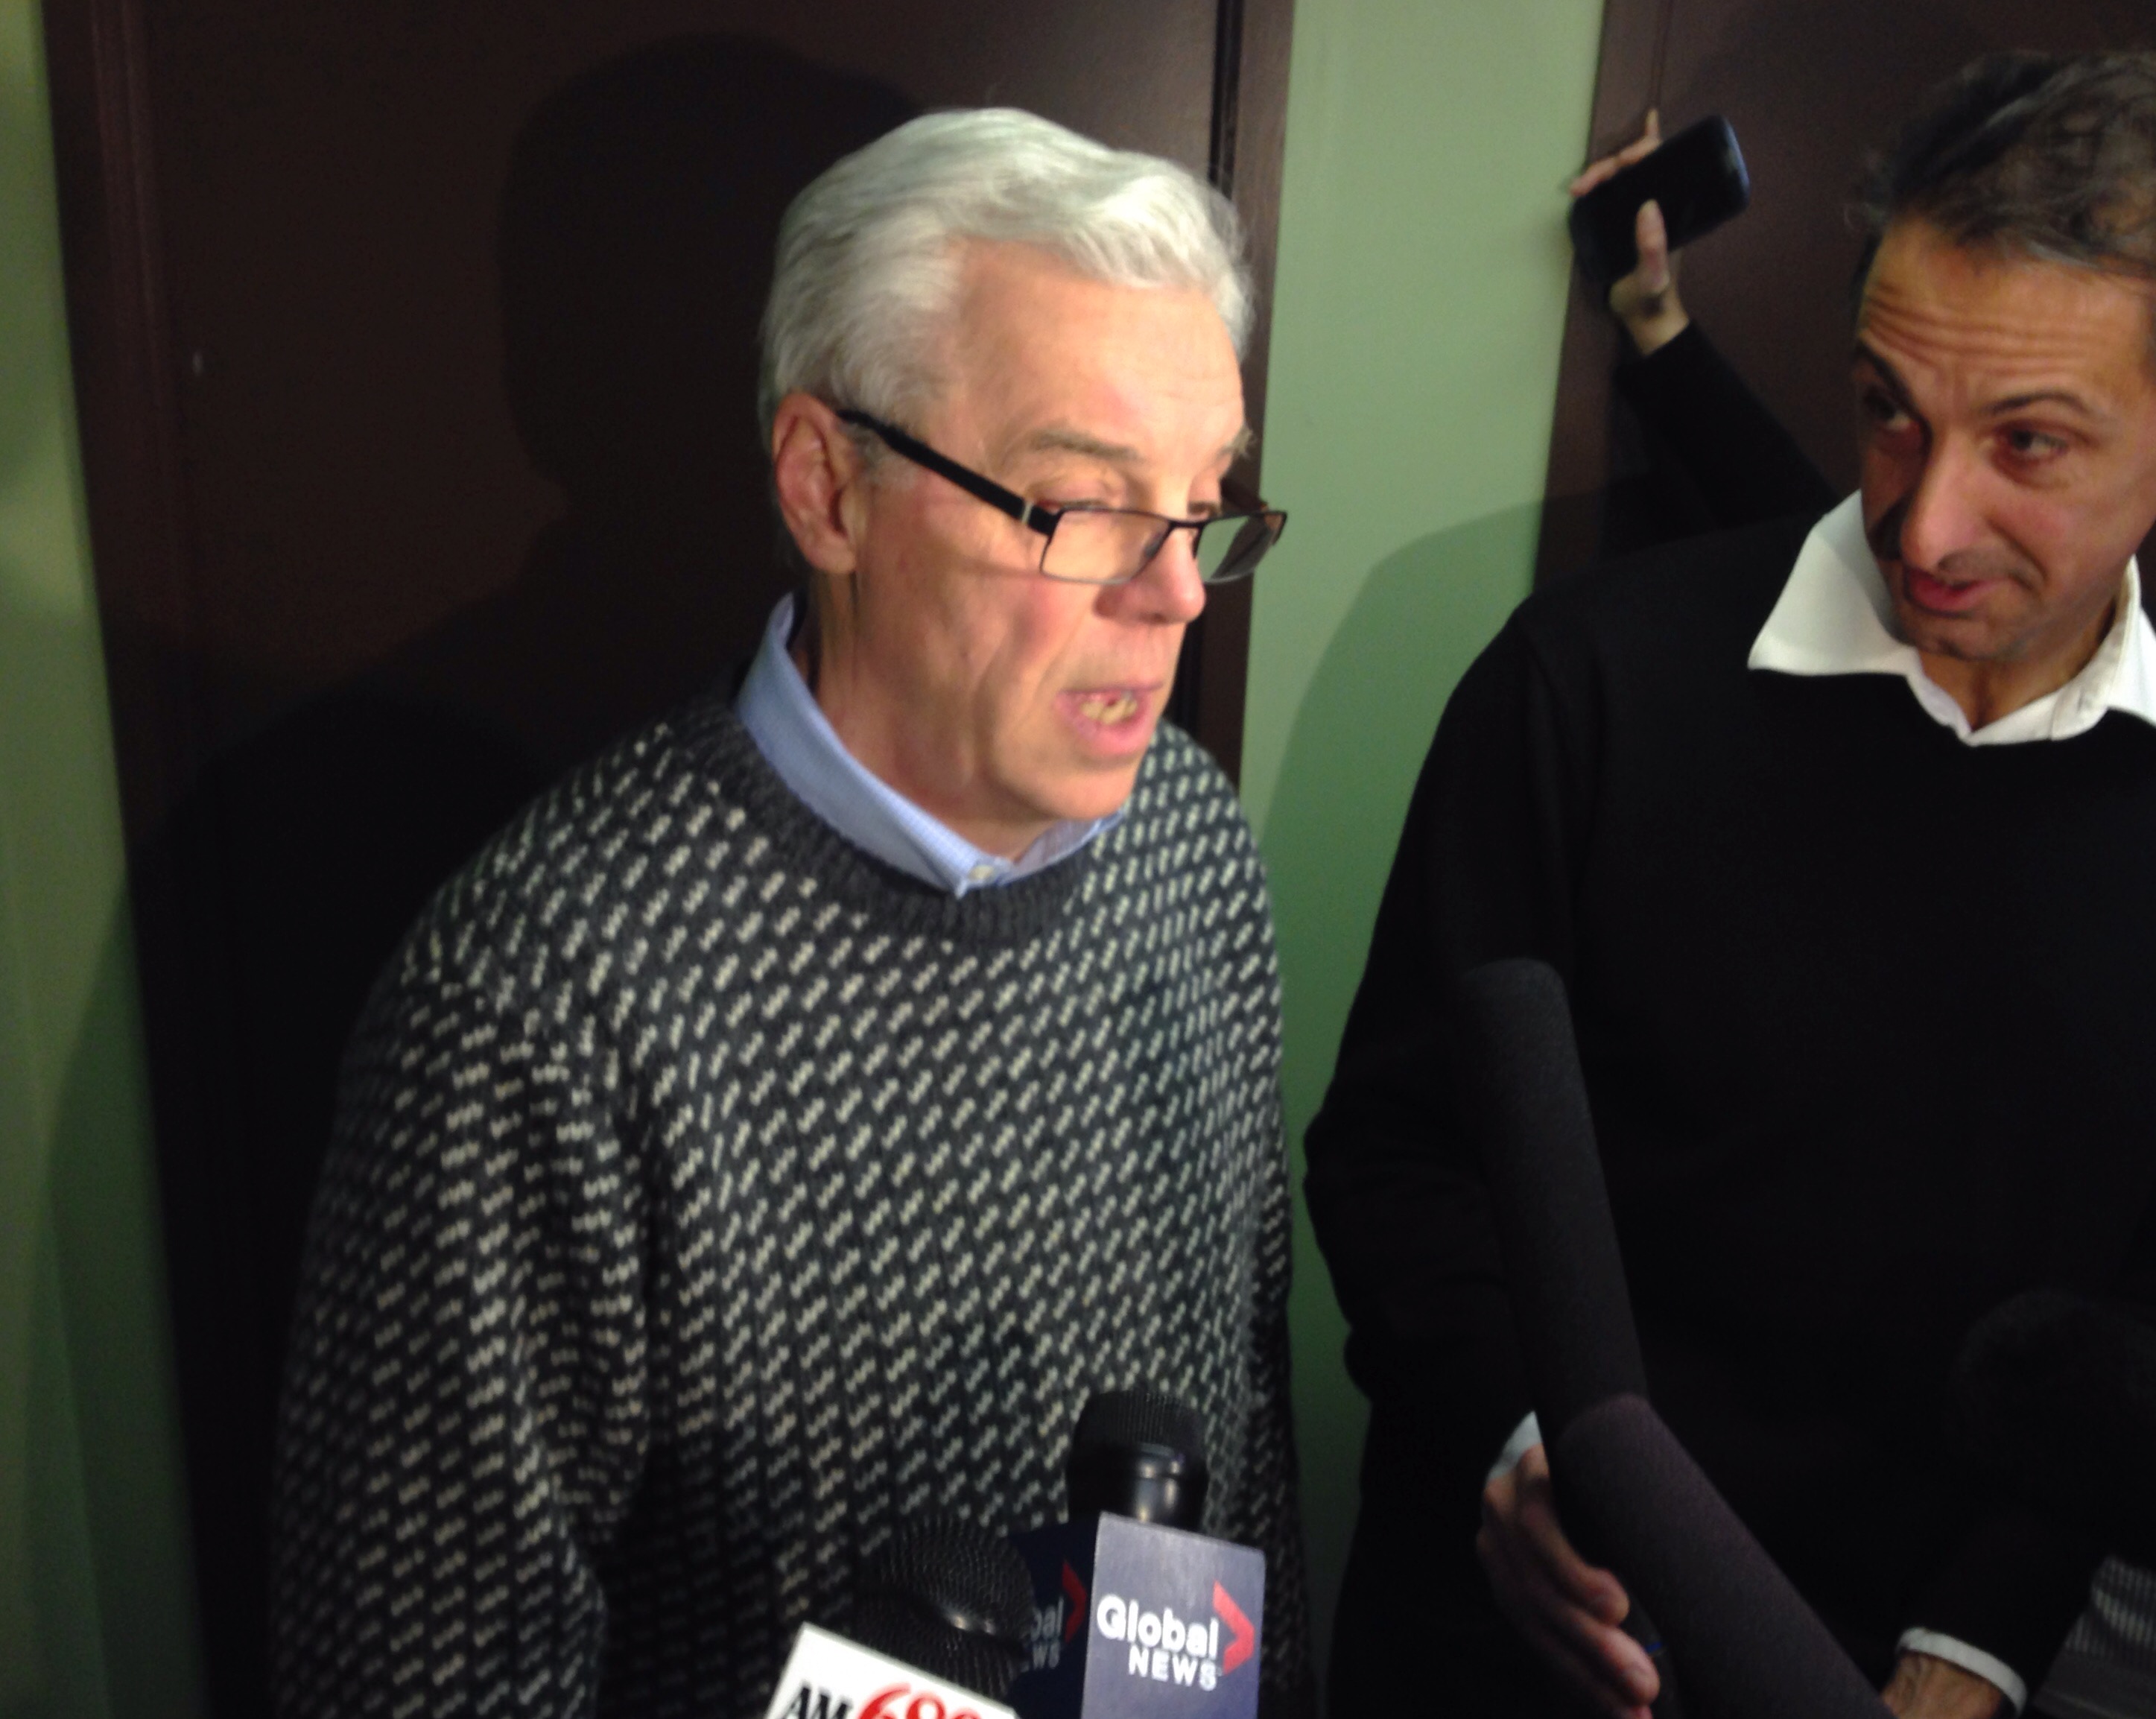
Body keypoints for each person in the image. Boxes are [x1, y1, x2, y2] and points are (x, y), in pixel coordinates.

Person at [270, 108, 1308, 1718]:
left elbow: (1245, 1459)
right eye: (1082, 504)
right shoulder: (531, 1020)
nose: (1175, 591)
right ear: (829, 491)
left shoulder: (1190, 838)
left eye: (1202, 500)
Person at [1307, 52, 2156, 1719]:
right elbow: (1396, 1156)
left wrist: (1979, 1637)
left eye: (2029, 443)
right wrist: (1515, 1444)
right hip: (1508, 1661)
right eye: (1887, 409)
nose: (1927, 522)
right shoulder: (1582, 685)